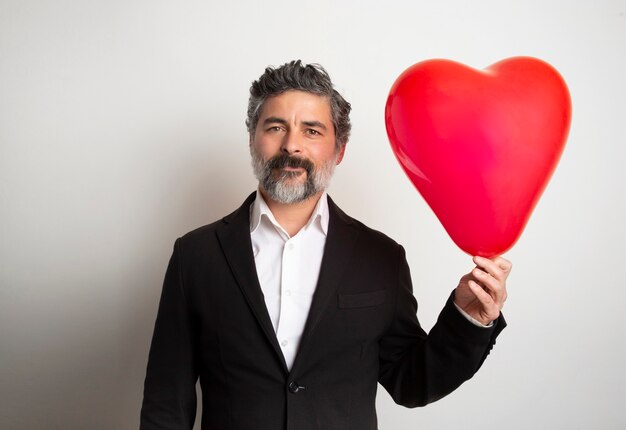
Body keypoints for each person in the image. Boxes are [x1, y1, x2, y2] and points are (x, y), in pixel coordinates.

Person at [140, 60, 512, 430]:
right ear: (253, 139)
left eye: (312, 131)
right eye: (275, 127)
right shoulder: (196, 255)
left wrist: (470, 320)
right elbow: (165, 403)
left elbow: (411, 383)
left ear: (339, 149)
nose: (292, 146)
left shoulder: (382, 257)